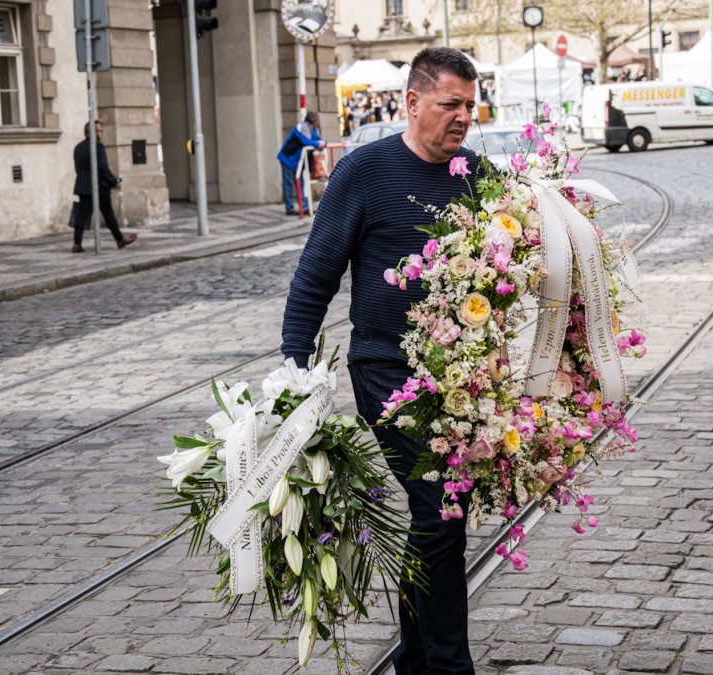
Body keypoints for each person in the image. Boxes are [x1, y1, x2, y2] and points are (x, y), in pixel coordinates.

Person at [281, 46, 480, 674]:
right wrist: (296, 367)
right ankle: (448, 667)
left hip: (461, 375)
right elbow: (317, 273)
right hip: (386, 371)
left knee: (437, 517)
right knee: (441, 506)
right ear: (413, 102)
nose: (463, 117)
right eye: (451, 104)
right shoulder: (363, 171)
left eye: (471, 106)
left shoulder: (475, 174)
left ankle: (417, 659)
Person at [72, 122, 137, 253]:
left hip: (83, 186)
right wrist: (114, 181)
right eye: (100, 131)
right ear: (94, 132)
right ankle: (120, 240)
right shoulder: (98, 146)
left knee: (81, 215)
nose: (101, 133)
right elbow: (103, 168)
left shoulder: (78, 148)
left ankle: (76, 244)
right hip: (98, 188)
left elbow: (80, 169)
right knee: (108, 214)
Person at [277, 111, 325, 215]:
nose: (318, 123)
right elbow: (306, 141)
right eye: (317, 121)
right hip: (288, 159)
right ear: (312, 122)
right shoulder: (300, 128)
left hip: (298, 161)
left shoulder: (312, 129)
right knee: (288, 184)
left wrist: (323, 142)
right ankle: (289, 208)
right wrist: (318, 144)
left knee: (301, 183)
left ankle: (303, 207)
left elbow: (316, 138)